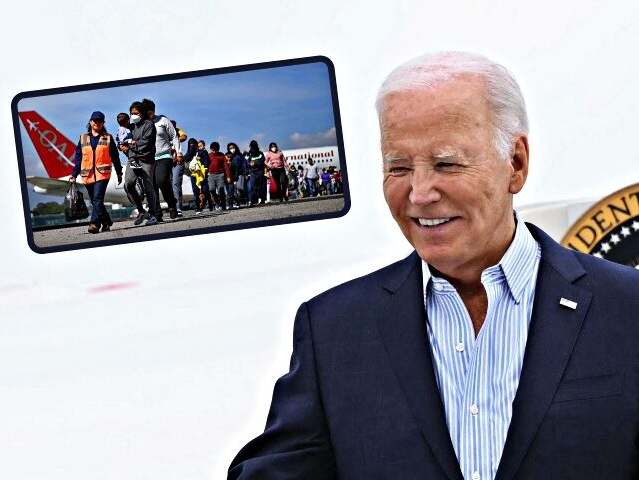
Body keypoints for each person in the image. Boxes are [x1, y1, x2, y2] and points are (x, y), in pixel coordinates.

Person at [228, 51, 639, 479]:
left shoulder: (627, 308)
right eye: (399, 167)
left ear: (515, 164)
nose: (420, 193)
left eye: (446, 163)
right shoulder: (333, 329)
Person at [69, 111, 123, 233]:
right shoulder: (83, 138)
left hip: (102, 174)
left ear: (103, 123)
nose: (97, 123)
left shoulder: (108, 137)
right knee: (95, 202)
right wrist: (73, 174)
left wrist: (119, 172)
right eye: (95, 120)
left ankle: (94, 224)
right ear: (90, 122)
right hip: (87, 175)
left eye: (100, 121)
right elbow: (79, 158)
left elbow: (115, 156)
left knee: (97, 199)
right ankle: (107, 221)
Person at [142, 98, 182, 221]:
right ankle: (157, 213)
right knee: (152, 186)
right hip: (149, 159)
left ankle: (171, 205)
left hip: (164, 156)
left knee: (161, 180)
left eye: (150, 113)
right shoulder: (143, 125)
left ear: (154, 111)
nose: (149, 116)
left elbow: (174, 136)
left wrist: (179, 153)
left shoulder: (163, 121)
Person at [120, 101, 158, 226]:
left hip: (146, 160)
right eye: (131, 113)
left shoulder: (149, 125)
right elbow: (122, 140)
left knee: (148, 187)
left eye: (135, 113)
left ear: (141, 113)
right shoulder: (130, 127)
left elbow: (145, 143)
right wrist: (121, 146)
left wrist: (130, 145)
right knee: (129, 184)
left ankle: (153, 214)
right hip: (133, 159)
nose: (133, 116)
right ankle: (142, 211)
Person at [170, 119, 188, 217]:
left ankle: (178, 208)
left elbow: (184, 137)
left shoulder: (177, 131)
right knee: (169, 185)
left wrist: (174, 139)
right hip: (167, 162)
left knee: (176, 183)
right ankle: (172, 207)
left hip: (178, 161)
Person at [208, 141, 231, 210]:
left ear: (218, 149)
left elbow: (226, 166)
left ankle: (223, 204)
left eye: (215, 150)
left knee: (221, 189)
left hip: (220, 174)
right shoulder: (209, 155)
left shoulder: (221, 155)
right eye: (212, 150)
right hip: (211, 175)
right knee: (211, 189)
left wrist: (228, 176)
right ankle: (217, 201)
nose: (214, 151)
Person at [246, 140, 266, 207]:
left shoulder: (260, 153)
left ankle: (262, 199)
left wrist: (255, 163)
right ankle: (251, 201)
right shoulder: (250, 154)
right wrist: (250, 164)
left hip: (260, 171)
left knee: (261, 187)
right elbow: (248, 162)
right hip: (253, 173)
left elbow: (263, 160)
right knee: (252, 187)